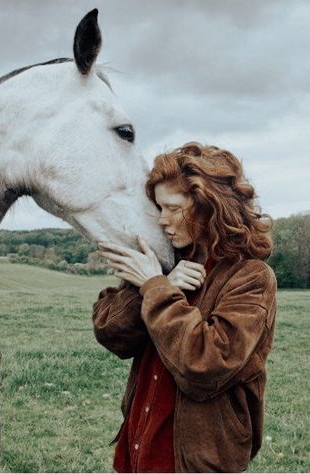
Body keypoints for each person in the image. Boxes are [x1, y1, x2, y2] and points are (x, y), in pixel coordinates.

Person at [93, 142, 276, 473]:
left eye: (172, 208)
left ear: (210, 206)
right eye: (158, 208)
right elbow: (109, 332)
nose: (162, 220)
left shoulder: (251, 276)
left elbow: (205, 363)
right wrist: (152, 285)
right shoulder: (165, 263)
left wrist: (156, 289)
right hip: (138, 445)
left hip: (197, 461)